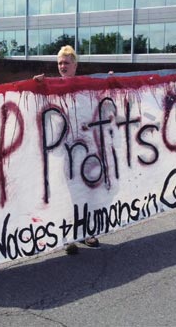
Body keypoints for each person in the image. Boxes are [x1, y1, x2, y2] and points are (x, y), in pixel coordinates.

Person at [34, 45, 99, 254]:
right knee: (66, 193)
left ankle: (87, 231)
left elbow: (101, 101)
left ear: (75, 65)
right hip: (63, 152)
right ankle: (69, 235)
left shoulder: (86, 86)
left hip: (85, 149)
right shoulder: (52, 87)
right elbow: (37, 102)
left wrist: (110, 82)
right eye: (60, 63)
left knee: (87, 191)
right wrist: (36, 84)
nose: (62, 66)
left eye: (66, 63)